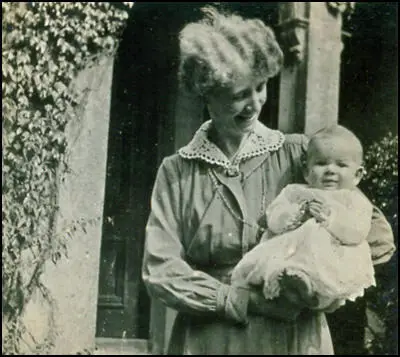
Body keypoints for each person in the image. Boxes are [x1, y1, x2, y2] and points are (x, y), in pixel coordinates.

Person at [142, 6, 395, 355]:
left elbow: (377, 236)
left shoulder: (298, 155)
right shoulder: (178, 173)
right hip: (211, 340)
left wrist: (330, 283)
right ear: (207, 93)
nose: (254, 103)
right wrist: (239, 299)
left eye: (260, 88)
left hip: (292, 336)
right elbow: (160, 270)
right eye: (238, 93)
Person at [231, 125, 376, 313]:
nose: (330, 170)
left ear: (357, 175)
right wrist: (299, 213)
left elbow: (358, 231)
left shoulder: (354, 201)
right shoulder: (296, 192)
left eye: (341, 165)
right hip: (292, 251)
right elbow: (274, 218)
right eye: (321, 163)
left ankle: (311, 295)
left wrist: (330, 220)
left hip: (333, 257)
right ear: (306, 170)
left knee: (330, 282)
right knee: (276, 265)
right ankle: (293, 285)